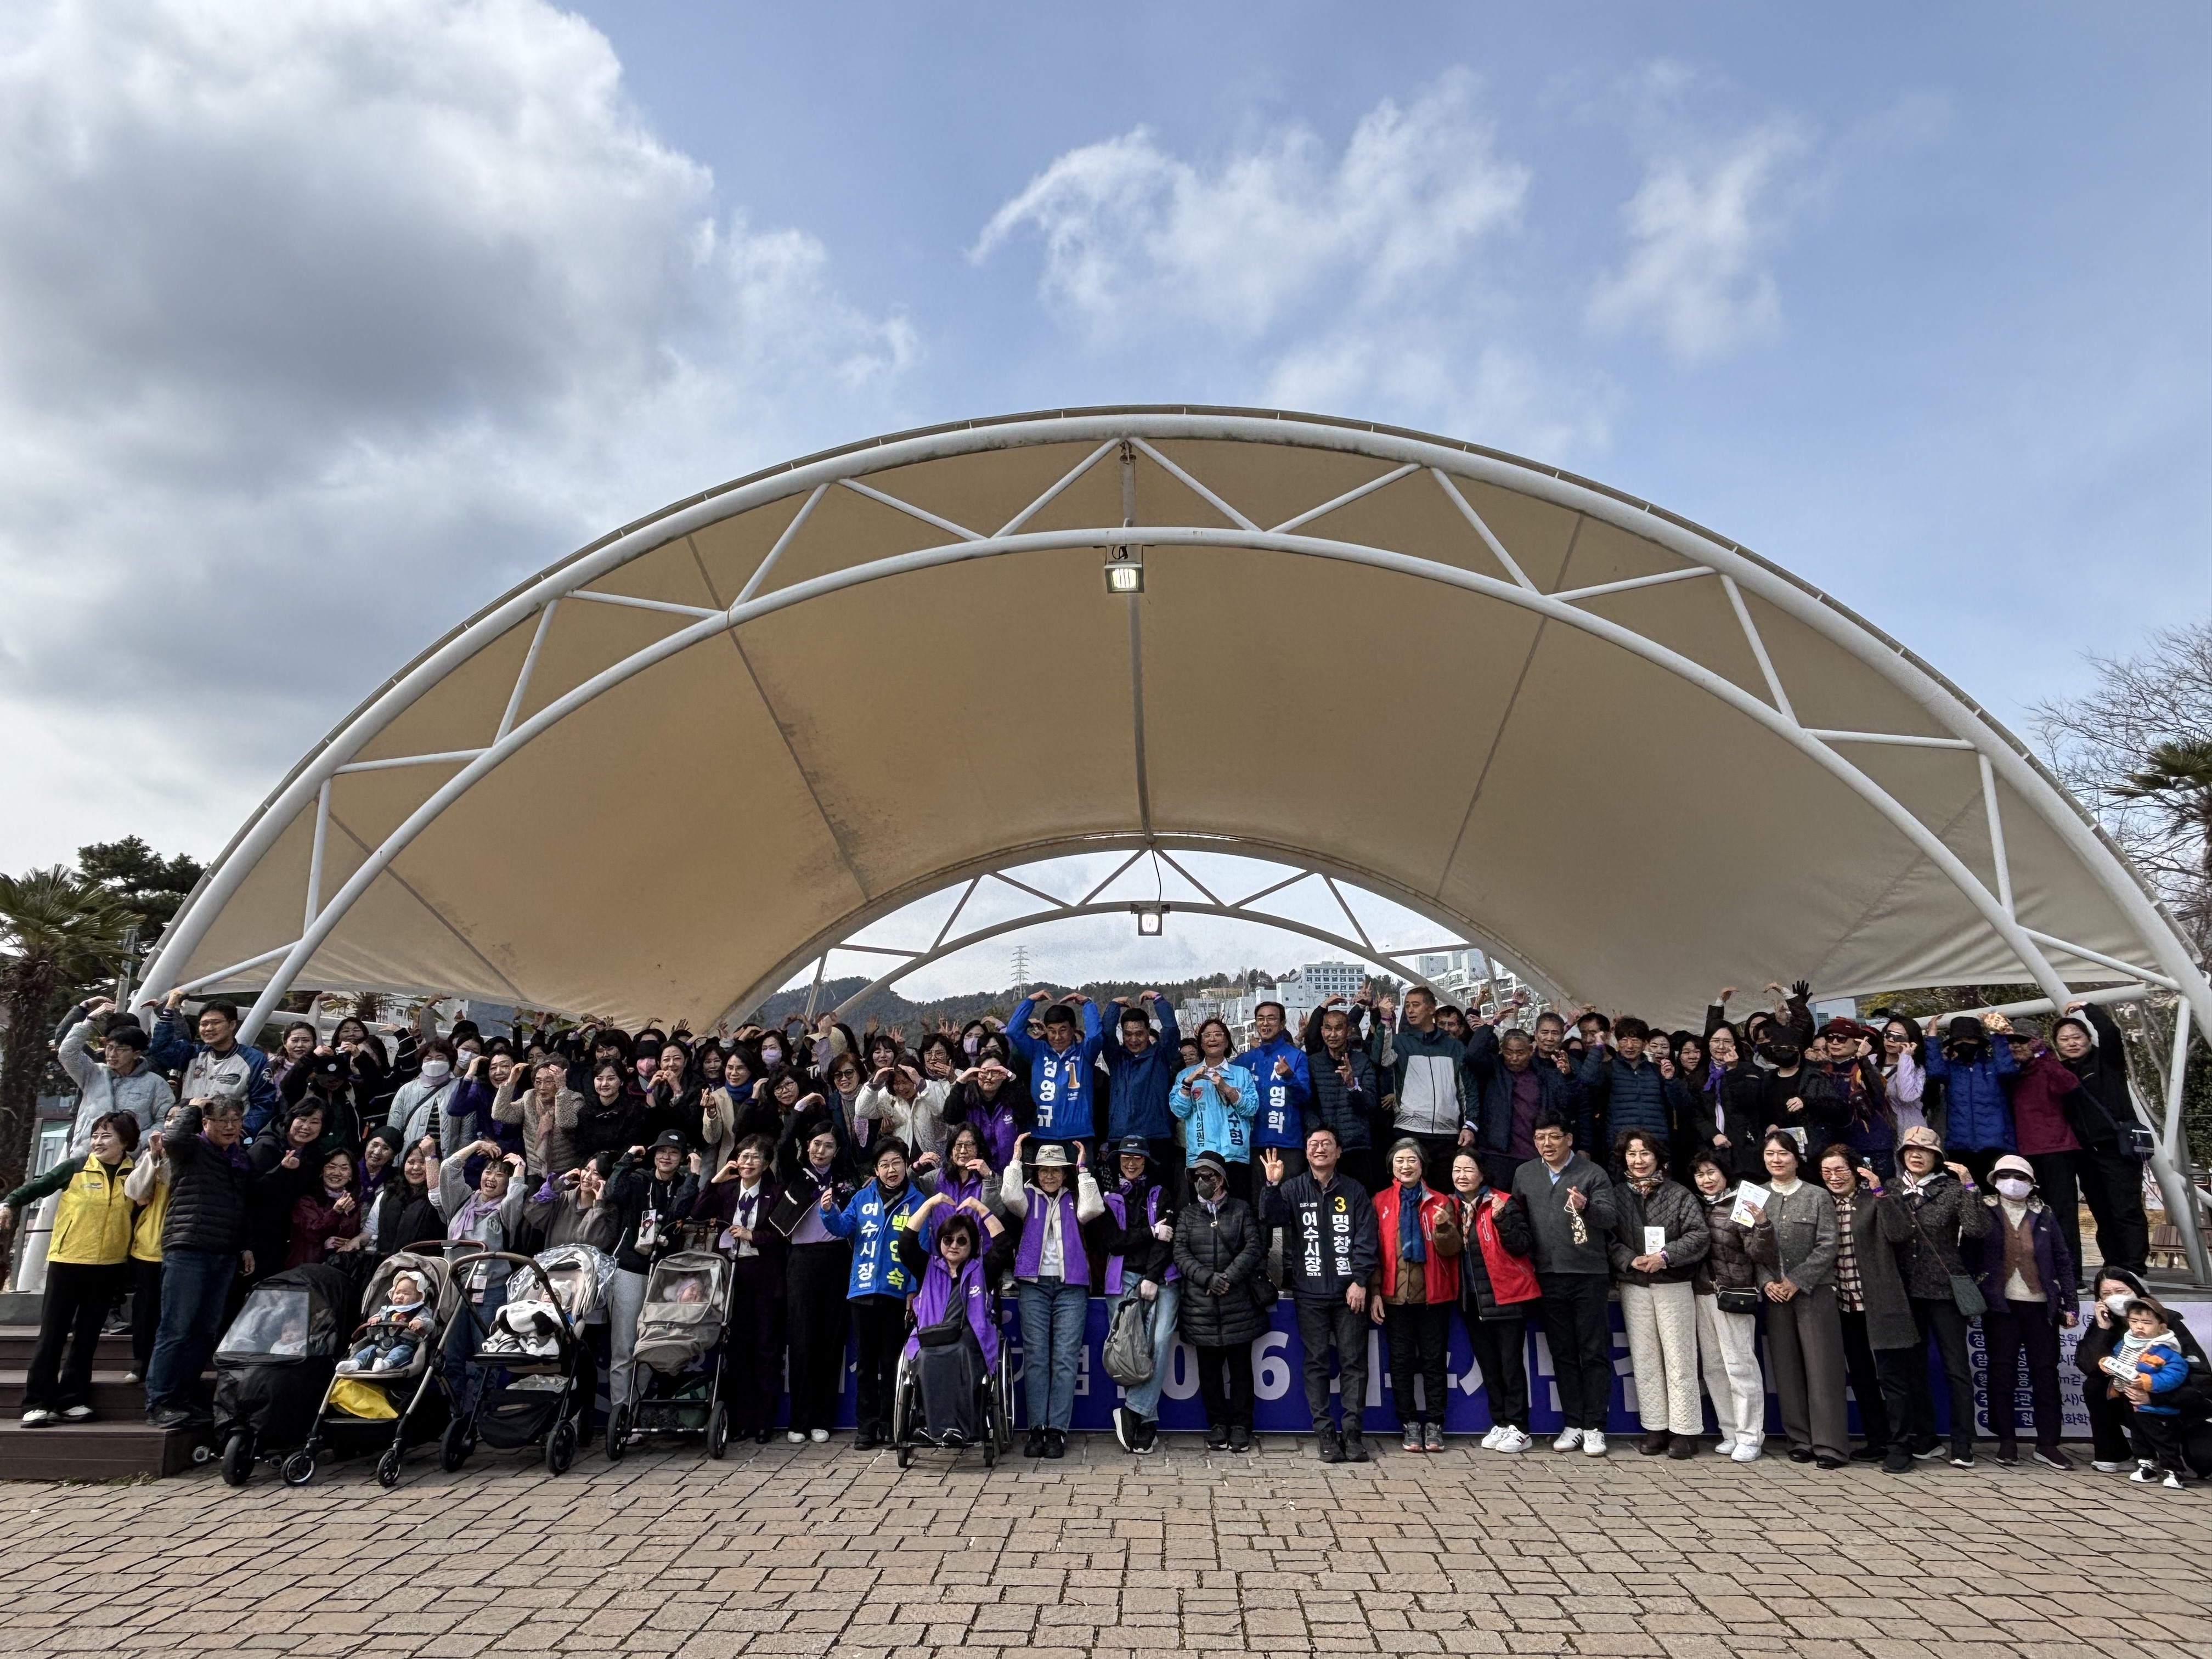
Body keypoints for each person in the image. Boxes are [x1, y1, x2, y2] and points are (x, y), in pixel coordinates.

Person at [1, 1113, 139, 1425]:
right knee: (53, 1334)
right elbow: (40, 1185)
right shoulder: (75, 1167)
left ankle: (73, 1399)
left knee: (87, 1337)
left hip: (109, 1266)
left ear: (126, 1141)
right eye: (95, 1136)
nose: (98, 1142)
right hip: (68, 1261)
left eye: (106, 1136)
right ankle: (37, 1402)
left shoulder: (135, 1174)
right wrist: (10, 1202)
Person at [1259, 1127, 1379, 1464]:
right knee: (1316, 1362)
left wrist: (1360, 1280)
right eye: (1313, 1144)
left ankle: (1352, 1434)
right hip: (1309, 1293)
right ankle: (1325, 1432)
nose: (1320, 1149)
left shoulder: (1354, 1190)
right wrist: (1271, 1185)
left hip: (1349, 1293)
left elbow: (1367, 1238)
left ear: (1339, 1152)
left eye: (1327, 1143)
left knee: (1354, 1363)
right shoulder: (1294, 1188)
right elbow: (1270, 1218)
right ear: (1306, 1152)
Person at [142, 1096, 256, 1427]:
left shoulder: (238, 1158)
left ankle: (185, 1398)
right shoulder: (191, 1147)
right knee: (177, 1328)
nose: (230, 1127)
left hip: (224, 1252)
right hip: (188, 1248)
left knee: (205, 1331)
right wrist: (193, 1107)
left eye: (236, 1120)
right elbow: (173, 1139)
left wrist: (245, 1246)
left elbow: (241, 1205)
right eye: (222, 1120)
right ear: (206, 1123)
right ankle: (161, 1401)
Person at [1511, 1108, 1616, 1455]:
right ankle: (1573, 1423)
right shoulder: (1525, 1173)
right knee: (1563, 1352)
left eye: (1554, 1137)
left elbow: (1609, 1218)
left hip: (1589, 1274)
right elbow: (1519, 1222)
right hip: (1547, 1274)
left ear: (1568, 1139)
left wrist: (1586, 1207)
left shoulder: (1591, 1172)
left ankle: (1595, 1426)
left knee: (1593, 1352)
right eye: (1540, 1138)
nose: (1547, 1144)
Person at [1963, 1153, 2078, 1469]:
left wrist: (2070, 1303)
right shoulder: (1983, 1210)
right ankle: (2007, 1441)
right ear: (1995, 1181)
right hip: (1999, 1306)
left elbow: (2062, 1259)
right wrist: (1971, 1299)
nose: (2012, 1182)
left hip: (2041, 1306)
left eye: (2020, 1177)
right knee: (2002, 1372)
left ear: (2031, 1183)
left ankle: (2048, 1443)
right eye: (2005, 1176)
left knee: (2046, 1373)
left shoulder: (2045, 1214)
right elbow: (1968, 1257)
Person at [1745, 1131, 1848, 1469]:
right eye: (1770, 1154)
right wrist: (1766, 1282)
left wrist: (1797, 1280)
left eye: (1783, 1154)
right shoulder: (1754, 1195)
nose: (1776, 1160)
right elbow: (1749, 1248)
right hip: (1775, 1294)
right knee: (1786, 1370)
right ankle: (1800, 1440)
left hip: (1814, 1291)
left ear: (1796, 1158)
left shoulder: (1817, 1195)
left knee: (1823, 1369)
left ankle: (1830, 1445)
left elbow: (1828, 1245)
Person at [1000, 1137, 1105, 1458]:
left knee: (1065, 1359)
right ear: (1035, 1172)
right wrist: (1015, 1161)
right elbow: (1009, 1196)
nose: (1049, 1176)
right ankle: (1037, 1428)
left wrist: (1084, 1171)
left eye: (1056, 1170)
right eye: (1043, 1170)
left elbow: (1093, 1208)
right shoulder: (1027, 1197)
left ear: (1064, 1173)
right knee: (1036, 1358)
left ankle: (1057, 1430)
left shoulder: (1075, 1197)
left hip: (1071, 1286)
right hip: (1034, 1285)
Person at [1891, 1124, 1990, 1467]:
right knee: (1913, 1368)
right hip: (1906, 1290)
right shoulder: (1891, 1188)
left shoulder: (1952, 1189)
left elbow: (1977, 1229)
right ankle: (1925, 1437)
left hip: (1945, 1290)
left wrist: (1970, 1186)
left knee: (1956, 1368)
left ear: (1938, 1158)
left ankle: (1963, 1443)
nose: (1916, 1156)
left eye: (1925, 1151)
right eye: (1910, 1150)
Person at [820, 1137, 928, 1448]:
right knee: (866, 1364)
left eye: (896, 1163)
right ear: (876, 1170)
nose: (891, 1170)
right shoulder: (862, 1198)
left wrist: (913, 1289)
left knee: (892, 1363)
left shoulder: (918, 1202)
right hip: (862, 1289)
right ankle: (866, 1429)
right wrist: (828, 1212)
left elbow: (921, 1248)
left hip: (896, 1292)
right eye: (884, 1165)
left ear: (906, 1165)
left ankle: (892, 1426)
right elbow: (842, 1228)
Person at [1608, 1128, 1708, 1459]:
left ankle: (1685, 1430)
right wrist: (1629, 1259)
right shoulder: (1617, 1194)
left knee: (1680, 1358)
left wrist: (1665, 1256)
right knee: (1645, 1358)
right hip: (1635, 1285)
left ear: (1659, 1158)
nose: (1638, 1161)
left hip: (1673, 1284)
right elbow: (1608, 1238)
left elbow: (1699, 1235)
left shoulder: (1680, 1194)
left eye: (1645, 1153)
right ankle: (1655, 1427)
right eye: (1632, 1154)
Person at [1814, 1145, 1914, 1468]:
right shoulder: (1823, 1204)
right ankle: (1877, 1441)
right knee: (1862, 1378)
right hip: (1843, 1304)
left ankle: (1901, 1448)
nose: (1834, 1177)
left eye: (1840, 1170)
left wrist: (1880, 1192)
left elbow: (1900, 1233)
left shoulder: (1875, 1197)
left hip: (1880, 1301)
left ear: (1857, 1171)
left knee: (1892, 1379)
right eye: (1827, 1172)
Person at [1370, 1137, 1462, 1453]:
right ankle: (1408, 1422)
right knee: (1401, 1362)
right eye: (1399, 1161)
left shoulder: (1441, 1201)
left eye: (1412, 1160)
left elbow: (1452, 1250)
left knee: (1434, 1362)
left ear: (1423, 1166)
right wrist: (1375, 1291)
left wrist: (1444, 1228)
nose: (1405, 1166)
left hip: (1433, 1297)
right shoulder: (1380, 1201)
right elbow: (1374, 1251)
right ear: (1391, 1167)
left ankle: (1435, 1423)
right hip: (1395, 1297)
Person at [1172, 1150, 1268, 1452]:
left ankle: (1241, 1426)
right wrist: (1206, 1278)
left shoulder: (1241, 1209)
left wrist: (1227, 1277)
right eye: (1197, 1176)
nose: (1202, 1181)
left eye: (1208, 1176)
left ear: (1222, 1179)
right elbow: (1180, 1254)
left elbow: (1254, 1247)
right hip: (1200, 1306)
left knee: (1241, 1371)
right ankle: (1217, 1424)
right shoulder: (1187, 1214)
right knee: (1209, 1372)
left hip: (1238, 1304)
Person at [692, 1135, 784, 1444]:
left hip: (764, 1277)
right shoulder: (727, 1190)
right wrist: (717, 1179)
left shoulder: (775, 1193)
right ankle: (741, 1421)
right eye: (744, 1156)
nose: (748, 1162)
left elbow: (782, 1236)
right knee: (739, 1350)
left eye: (755, 1157)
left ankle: (764, 1423)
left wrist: (751, 1235)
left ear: (767, 1164)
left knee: (766, 1349)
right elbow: (698, 1213)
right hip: (732, 1275)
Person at [893, 1203, 1009, 1446]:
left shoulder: (982, 1269)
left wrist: (980, 1209)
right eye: (948, 1240)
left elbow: (1003, 1245)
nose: (954, 1245)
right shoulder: (927, 1267)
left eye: (961, 1241)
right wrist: (929, 1204)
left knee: (960, 1352)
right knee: (926, 1357)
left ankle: (962, 1429)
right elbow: (905, 1243)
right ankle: (931, 1426)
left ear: (972, 1245)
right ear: (940, 1242)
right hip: (931, 1335)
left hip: (971, 1337)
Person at [1446, 1150, 1538, 1454]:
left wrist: (1501, 1219)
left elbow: (1522, 1244)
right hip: (1472, 1301)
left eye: (1468, 1169)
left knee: (1510, 1365)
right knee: (1489, 1366)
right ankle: (1500, 1422)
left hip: (1507, 1297)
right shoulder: (1451, 1206)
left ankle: (1520, 1428)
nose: (1462, 1176)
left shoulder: (1503, 1202)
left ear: (1483, 1173)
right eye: (1457, 1170)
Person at [603, 1132, 700, 1419]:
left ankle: (634, 1414)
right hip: (630, 1269)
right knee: (624, 1347)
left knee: (651, 1346)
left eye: (674, 1152)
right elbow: (611, 1193)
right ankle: (620, 1417)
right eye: (661, 1151)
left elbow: (677, 1214)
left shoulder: (685, 1185)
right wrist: (627, 1158)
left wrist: (694, 1176)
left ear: (682, 1158)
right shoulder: (638, 1180)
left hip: (665, 1273)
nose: (666, 1157)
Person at [2051, 1001, 2152, 1277]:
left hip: (2116, 1148)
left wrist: (2088, 1008)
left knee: (2126, 1209)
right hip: (2085, 1153)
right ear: (2057, 1045)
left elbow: (2110, 1032)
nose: (2072, 1043)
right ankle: (2113, 1265)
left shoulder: (2106, 1061)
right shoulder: (2060, 1072)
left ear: (2088, 1038)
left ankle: (2134, 1268)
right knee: (2101, 1212)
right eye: (2064, 1040)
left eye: (2077, 1037)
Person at [777, 1120, 857, 1444]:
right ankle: (799, 1420)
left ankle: (823, 1419)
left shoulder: (845, 1180)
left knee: (831, 1338)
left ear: (837, 1151)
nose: (821, 1151)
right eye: (816, 1144)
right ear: (807, 1145)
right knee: (802, 1339)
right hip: (802, 1260)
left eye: (828, 1146)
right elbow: (783, 1148)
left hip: (837, 1259)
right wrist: (799, 1112)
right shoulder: (796, 1174)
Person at [1101, 1137, 1181, 1455]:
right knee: (1131, 1347)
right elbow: (1114, 1242)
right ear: (1118, 1162)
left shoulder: (1162, 1194)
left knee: (1159, 1340)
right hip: (1122, 1276)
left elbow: (1167, 1240)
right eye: (1126, 1158)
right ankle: (1147, 1422)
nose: (1131, 1164)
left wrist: (1151, 1278)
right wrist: (1149, 1232)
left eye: (1137, 1158)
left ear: (1146, 1161)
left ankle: (1132, 1411)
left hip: (1162, 1278)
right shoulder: (1108, 1197)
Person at [1685, 1150, 1764, 1463]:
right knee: (1714, 1368)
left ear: (1724, 1174)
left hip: (1734, 1292)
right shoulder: (1695, 1205)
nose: (1706, 1180)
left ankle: (1751, 1436)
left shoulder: (1741, 1203)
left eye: (1711, 1172)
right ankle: (1730, 1432)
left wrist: (1762, 1226)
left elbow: (1758, 1251)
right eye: (1699, 1175)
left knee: (1740, 1366)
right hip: (1702, 1292)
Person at [2075, 1266, 2187, 1473]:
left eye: (2120, 1291)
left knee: (2202, 1460)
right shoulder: (2105, 1323)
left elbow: (2198, 1373)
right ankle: (2113, 1453)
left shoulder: (2166, 1321)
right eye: (2106, 1294)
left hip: (2167, 1399)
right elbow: (2088, 1365)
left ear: (2136, 1290)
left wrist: (2153, 1395)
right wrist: (2102, 1329)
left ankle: (2173, 1457)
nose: (2115, 1298)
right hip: (2128, 1397)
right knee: (2094, 1386)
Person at [1999, 1026, 2087, 1285]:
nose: (2016, 1046)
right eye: (2011, 1042)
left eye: (2023, 1041)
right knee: (2031, 1216)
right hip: (2024, 1153)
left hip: (2056, 1150)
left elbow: (2069, 1084)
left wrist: (2044, 1055)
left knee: (2062, 1214)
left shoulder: (2047, 1066)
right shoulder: (2011, 1073)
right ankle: (2040, 1271)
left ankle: (2071, 1275)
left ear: (2037, 1043)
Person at [1466, 1019, 1577, 1197]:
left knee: (1530, 1205)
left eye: (1520, 1053)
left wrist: (1567, 1076)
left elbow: (1565, 1104)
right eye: (1509, 1052)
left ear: (1530, 1050)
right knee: (1497, 1206)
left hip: (1532, 1153)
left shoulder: (1542, 1074)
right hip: (1496, 1153)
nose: (1514, 1058)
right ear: (1502, 1050)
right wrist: (1490, 1025)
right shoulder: (1493, 1070)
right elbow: (1473, 1054)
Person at [1373, 985, 1469, 1188]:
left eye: (1416, 1005)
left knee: (1443, 1195)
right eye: (1407, 1006)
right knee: (1408, 1192)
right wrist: (1385, 1021)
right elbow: (1380, 1059)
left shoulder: (1453, 1046)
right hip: (1409, 1130)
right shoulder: (1401, 1042)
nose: (1410, 1010)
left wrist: (1469, 1126)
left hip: (1447, 1134)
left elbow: (1467, 1091)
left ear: (1432, 1009)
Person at [147, 993, 278, 1138]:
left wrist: (243, 1132)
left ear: (232, 1025)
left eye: (215, 1023)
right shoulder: (192, 1054)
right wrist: (169, 1008)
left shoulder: (253, 1059)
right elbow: (159, 1049)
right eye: (204, 1024)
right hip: (187, 1136)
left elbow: (263, 1103)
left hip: (227, 1138)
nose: (209, 1028)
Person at [54, 1000, 173, 1153]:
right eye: (109, 1048)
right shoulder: (93, 1072)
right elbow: (67, 1053)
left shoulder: (156, 1083)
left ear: (136, 1053)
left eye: (120, 1049)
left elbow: (164, 1121)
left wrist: (133, 1145)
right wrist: (90, 1019)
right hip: (86, 1156)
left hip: (130, 1160)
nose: (112, 1054)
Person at [2102, 1297, 2194, 1487]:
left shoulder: (2166, 1350)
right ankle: (2146, 1466)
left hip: (2158, 1407)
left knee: (2163, 1439)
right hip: (2131, 1403)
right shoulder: (2124, 1343)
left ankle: (2174, 1471)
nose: (2139, 1327)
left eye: (2146, 1323)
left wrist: (2148, 1382)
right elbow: (2118, 1361)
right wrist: (2108, 1365)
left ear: (2161, 1328)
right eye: (2134, 1321)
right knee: (2139, 1436)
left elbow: (2175, 1375)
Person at [1576, 1018, 1690, 1166]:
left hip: (1656, 1145)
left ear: (1644, 1044)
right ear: (1617, 1043)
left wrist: (1671, 1080)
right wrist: (1598, 1047)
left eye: (1635, 1041)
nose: (1629, 1046)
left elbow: (1682, 1104)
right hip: (1620, 1146)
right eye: (1624, 1040)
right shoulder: (1609, 1069)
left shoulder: (1657, 1071)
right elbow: (1586, 1080)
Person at [1005, 990, 1104, 1155]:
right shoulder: (1036, 1051)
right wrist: (1030, 1001)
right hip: (1042, 1136)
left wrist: (1087, 1004)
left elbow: (1095, 1037)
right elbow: (1013, 1031)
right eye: (1052, 1031)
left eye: (1063, 1030)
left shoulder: (1085, 1054)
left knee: (1083, 1174)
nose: (1057, 1037)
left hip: (1079, 1137)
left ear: (1074, 1029)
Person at [1920, 1014, 2017, 1183]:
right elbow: (1935, 1071)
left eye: (1970, 1039)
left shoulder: (1993, 1066)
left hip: (1996, 1144)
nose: (1964, 1044)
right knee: (1965, 1193)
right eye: (1959, 1040)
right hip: (1959, 1146)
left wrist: (1996, 1034)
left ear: (1979, 1041)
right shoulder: (1951, 1069)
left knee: (1996, 1193)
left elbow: (2007, 1070)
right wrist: (1932, 1036)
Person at [1172, 1019, 1257, 1204]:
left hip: (1235, 1156)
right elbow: (1179, 1110)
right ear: (1201, 1043)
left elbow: (1251, 1109)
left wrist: (1227, 1088)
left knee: (1238, 1211)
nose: (1213, 1039)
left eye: (1218, 1034)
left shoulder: (1241, 1074)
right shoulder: (1186, 1075)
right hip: (1200, 1157)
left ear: (1227, 1042)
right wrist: (1188, 1084)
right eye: (1207, 1035)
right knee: (1201, 1214)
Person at [1302, 998, 1382, 1192]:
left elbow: (1370, 1104)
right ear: (1322, 1031)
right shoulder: (1313, 1063)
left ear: (1348, 1031)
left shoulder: (1362, 1062)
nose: (1333, 1035)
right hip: (1322, 1148)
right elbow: (1307, 1104)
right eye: (1328, 1029)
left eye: (1338, 1029)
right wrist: (1319, 1133)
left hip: (1356, 1146)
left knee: (1359, 1200)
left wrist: (1352, 1085)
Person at [1102, 991, 1184, 1175]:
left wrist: (1158, 1000)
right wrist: (1114, 1005)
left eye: (1139, 1034)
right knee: (1122, 1189)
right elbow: (1107, 1033)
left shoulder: (1161, 1056)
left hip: (1156, 1135)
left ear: (1148, 1031)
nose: (1134, 1040)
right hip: (1121, 1135)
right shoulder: (1116, 1058)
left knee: (1160, 1189)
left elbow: (1171, 1029)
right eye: (1128, 1034)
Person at [1235, 1000, 1313, 1184]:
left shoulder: (1296, 1056)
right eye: (1260, 1019)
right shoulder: (1245, 1060)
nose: (1265, 1023)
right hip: (1255, 1143)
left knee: (1290, 1198)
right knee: (1259, 1199)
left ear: (1282, 1024)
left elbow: (1305, 1096)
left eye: (1271, 1019)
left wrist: (1289, 1076)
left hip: (1288, 1143)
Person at [494, 1058, 581, 1183]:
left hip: (565, 1171)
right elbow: (500, 1114)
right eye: (538, 1081)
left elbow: (566, 1124)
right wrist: (511, 1082)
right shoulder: (530, 1097)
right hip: (535, 1172)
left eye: (549, 1081)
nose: (542, 1087)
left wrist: (562, 1090)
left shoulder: (574, 1099)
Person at [343, 1271, 436, 1374]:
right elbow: (374, 1318)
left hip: (406, 1344)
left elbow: (429, 1323)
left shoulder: (420, 1311)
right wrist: (375, 1319)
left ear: (419, 1296)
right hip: (381, 1344)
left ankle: (387, 1364)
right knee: (369, 1349)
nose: (400, 1296)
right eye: (397, 1293)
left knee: (402, 1351)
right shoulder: (387, 1310)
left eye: (406, 1294)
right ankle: (355, 1363)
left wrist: (420, 1322)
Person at [286, 1148, 362, 1268]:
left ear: (352, 1175)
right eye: (331, 1167)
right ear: (322, 1172)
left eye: (344, 1168)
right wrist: (336, 1212)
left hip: (338, 1269)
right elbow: (313, 1234)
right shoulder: (307, 1201)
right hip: (306, 1269)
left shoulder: (354, 1202)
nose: (337, 1173)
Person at [386, 1039, 462, 1149]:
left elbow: (466, 1132)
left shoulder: (460, 1089)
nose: (434, 1062)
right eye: (429, 1059)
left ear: (450, 1062)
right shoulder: (407, 1090)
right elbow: (394, 1127)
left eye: (440, 1058)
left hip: (447, 1156)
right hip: (411, 1155)